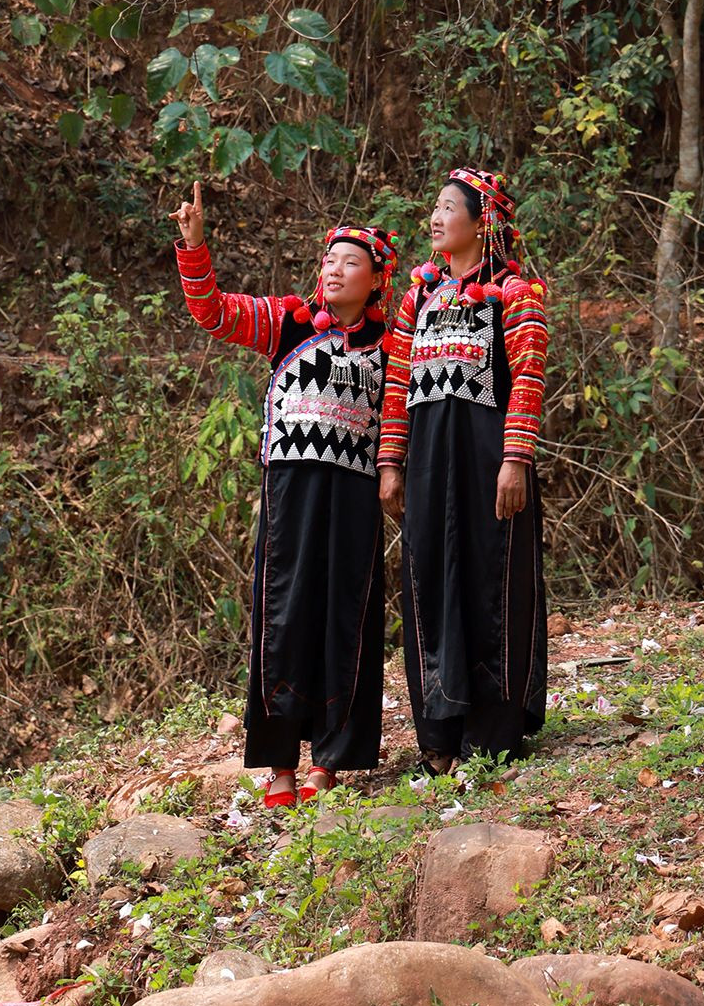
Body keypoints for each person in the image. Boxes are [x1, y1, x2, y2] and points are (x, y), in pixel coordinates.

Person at [173, 182, 396, 807]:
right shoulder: (290, 321)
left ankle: (333, 757)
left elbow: (403, 415)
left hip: (353, 495)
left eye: (350, 262)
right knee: (284, 613)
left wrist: (394, 473)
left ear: (377, 279)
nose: (333, 270)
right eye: (328, 260)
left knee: (344, 615)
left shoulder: (392, 345)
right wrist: (195, 248)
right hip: (289, 488)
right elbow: (213, 312)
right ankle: (279, 764)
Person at [378, 166, 547, 768]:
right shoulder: (416, 298)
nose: (435, 216)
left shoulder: (515, 292)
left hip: (487, 462)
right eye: (436, 206)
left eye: (449, 207)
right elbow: (396, 384)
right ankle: (438, 735)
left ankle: (493, 730)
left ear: (483, 222)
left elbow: (527, 375)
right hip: (426, 464)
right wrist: (390, 462)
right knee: (428, 578)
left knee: (490, 577)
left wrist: (515, 458)